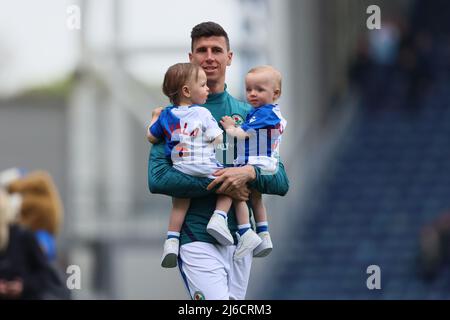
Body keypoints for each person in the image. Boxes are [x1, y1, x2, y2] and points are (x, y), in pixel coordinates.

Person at [148, 21, 289, 300]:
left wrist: (247, 173)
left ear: (229, 57)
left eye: (216, 50)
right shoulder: (171, 114)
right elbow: (158, 178)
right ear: (191, 59)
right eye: (202, 50)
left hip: (240, 239)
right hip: (196, 236)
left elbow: (281, 179)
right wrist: (222, 183)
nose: (209, 57)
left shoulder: (250, 112)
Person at [147, 62, 257, 268]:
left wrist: (154, 117)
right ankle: (225, 220)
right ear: (187, 91)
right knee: (229, 182)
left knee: (180, 203)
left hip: (180, 167)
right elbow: (216, 138)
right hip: (205, 166)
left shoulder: (165, 115)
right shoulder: (203, 113)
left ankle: (171, 240)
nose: (207, 89)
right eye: (203, 85)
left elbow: (151, 137)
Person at [220, 65, 287, 259]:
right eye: (249, 89)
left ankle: (244, 231)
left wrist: (230, 127)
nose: (252, 94)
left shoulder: (265, 113)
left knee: (239, 194)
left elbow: (240, 134)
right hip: (263, 160)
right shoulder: (266, 112)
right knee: (256, 198)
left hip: (256, 161)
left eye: (259, 89)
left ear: (276, 93)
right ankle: (264, 234)